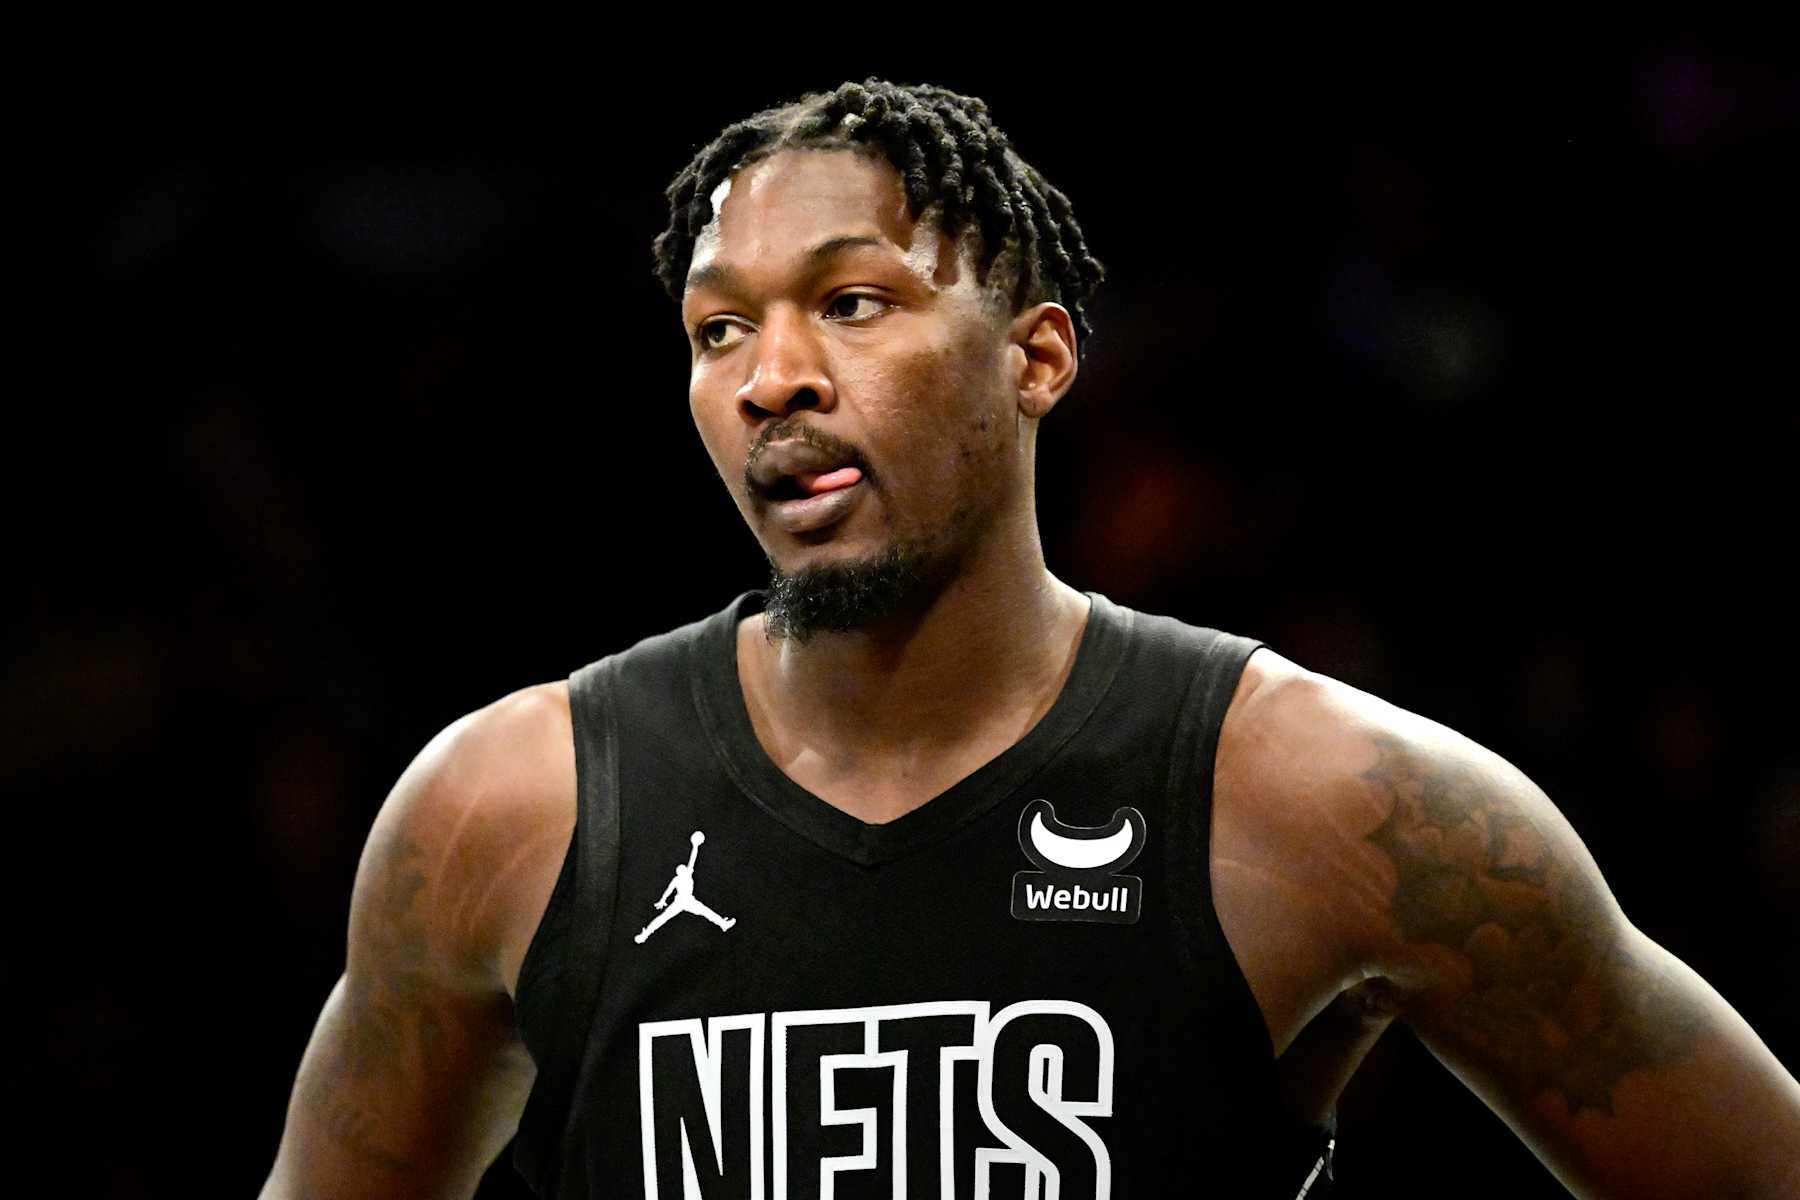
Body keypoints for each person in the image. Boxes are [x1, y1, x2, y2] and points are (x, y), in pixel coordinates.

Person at [259, 80, 1800, 1199]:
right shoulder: (505, 814)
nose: (770, 378)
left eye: (852, 304)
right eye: (720, 330)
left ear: (1037, 357)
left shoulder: (1335, 801)